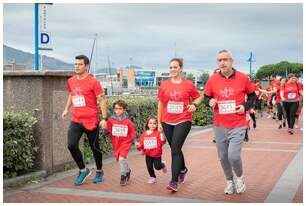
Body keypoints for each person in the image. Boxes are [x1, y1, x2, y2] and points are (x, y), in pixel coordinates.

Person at [204, 50, 256, 194]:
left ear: (232, 61)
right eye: (219, 60)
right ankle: (229, 181)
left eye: (225, 59)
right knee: (222, 157)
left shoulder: (243, 78)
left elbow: (253, 97)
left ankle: (239, 178)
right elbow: (205, 98)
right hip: (219, 124)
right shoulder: (212, 79)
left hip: (238, 123)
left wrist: (244, 107)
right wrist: (210, 102)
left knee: (233, 155)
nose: (222, 62)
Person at [62, 55, 107, 185]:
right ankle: (83, 170)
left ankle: (99, 171)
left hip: (91, 120)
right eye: (75, 64)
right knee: (71, 145)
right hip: (76, 119)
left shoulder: (93, 82)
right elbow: (72, 95)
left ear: (86, 66)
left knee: (95, 148)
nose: (76, 66)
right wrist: (66, 109)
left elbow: (102, 100)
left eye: (80, 64)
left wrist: (104, 118)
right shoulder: (71, 81)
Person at [157, 58, 202, 192]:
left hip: (183, 120)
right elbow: (160, 104)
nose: (172, 70)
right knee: (175, 149)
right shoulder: (164, 85)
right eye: (170, 67)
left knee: (175, 149)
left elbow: (198, 97)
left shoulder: (188, 84)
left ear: (180, 68)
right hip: (167, 121)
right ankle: (182, 169)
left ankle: (173, 181)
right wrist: (159, 122)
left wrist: (194, 105)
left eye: (175, 67)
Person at [107, 100, 136, 186]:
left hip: (126, 143)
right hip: (116, 143)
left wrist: (134, 142)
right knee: (122, 159)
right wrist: (105, 130)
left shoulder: (128, 122)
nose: (118, 111)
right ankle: (128, 170)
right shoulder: (111, 120)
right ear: (113, 110)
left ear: (124, 110)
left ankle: (123, 175)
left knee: (122, 158)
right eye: (116, 109)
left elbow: (132, 133)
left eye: (120, 109)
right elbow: (108, 130)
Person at [135, 117, 167, 184]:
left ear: (157, 125)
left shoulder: (158, 133)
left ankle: (163, 164)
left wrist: (162, 133)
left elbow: (163, 141)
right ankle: (153, 177)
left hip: (156, 154)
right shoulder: (144, 134)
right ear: (147, 124)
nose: (152, 125)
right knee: (149, 167)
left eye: (154, 123)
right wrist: (138, 146)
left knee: (157, 167)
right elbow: (141, 144)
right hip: (148, 154)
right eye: (150, 123)